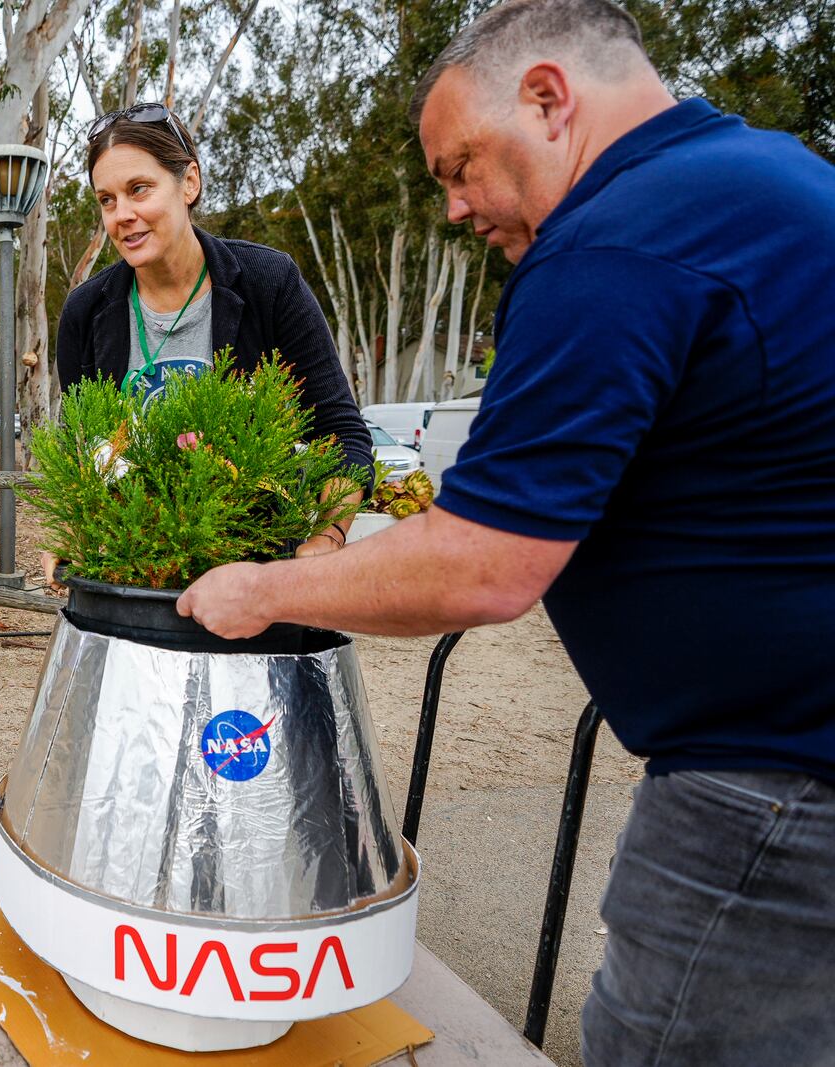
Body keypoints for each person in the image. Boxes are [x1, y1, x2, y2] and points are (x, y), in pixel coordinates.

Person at [176, 2, 835, 1064]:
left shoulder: (619, 238)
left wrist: (258, 587)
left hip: (775, 787)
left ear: (546, 97)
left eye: (460, 165)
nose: (451, 207)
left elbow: (483, 564)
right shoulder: (773, 180)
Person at [52, 102, 372, 575]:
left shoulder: (269, 284)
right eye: (107, 200)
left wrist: (327, 535)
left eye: (139, 190)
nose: (122, 215)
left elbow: (343, 435)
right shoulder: (85, 311)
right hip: (133, 573)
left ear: (190, 183)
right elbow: (79, 449)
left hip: (257, 574)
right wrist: (72, 536)